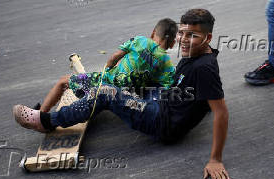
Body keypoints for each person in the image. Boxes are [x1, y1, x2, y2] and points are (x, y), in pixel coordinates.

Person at [13, 9, 230, 179]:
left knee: (106, 92)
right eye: (182, 33)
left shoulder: (204, 68)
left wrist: (215, 160)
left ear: (208, 37)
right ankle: (102, 100)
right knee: (136, 82)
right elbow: (197, 92)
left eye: (192, 35)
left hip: (162, 122)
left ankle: (46, 121)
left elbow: (221, 111)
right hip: (163, 100)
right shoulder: (198, 54)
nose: (184, 40)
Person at [35, 18, 178, 113]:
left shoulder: (139, 40)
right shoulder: (166, 62)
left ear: (153, 32)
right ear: (172, 43)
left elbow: (114, 57)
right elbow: (167, 84)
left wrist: (108, 69)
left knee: (63, 82)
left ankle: (41, 114)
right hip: (125, 97)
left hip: (108, 82)